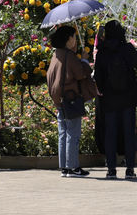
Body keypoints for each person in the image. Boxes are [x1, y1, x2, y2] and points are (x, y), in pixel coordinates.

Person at [46, 25, 97, 178]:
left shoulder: (56, 55)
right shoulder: (69, 56)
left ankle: (65, 168)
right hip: (71, 99)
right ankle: (74, 167)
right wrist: (85, 61)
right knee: (73, 134)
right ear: (68, 39)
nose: (75, 39)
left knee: (63, 133)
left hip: (59, 100)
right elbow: (81, 73)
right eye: (74, 37)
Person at [93, 20, 137, 179]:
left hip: (109, 98)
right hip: (128, 98)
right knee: (129, 133)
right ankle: (130, 169)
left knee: (110, 133)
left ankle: (111, 169)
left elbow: (98, 77)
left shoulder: (102, 51)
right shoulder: (127, 48)